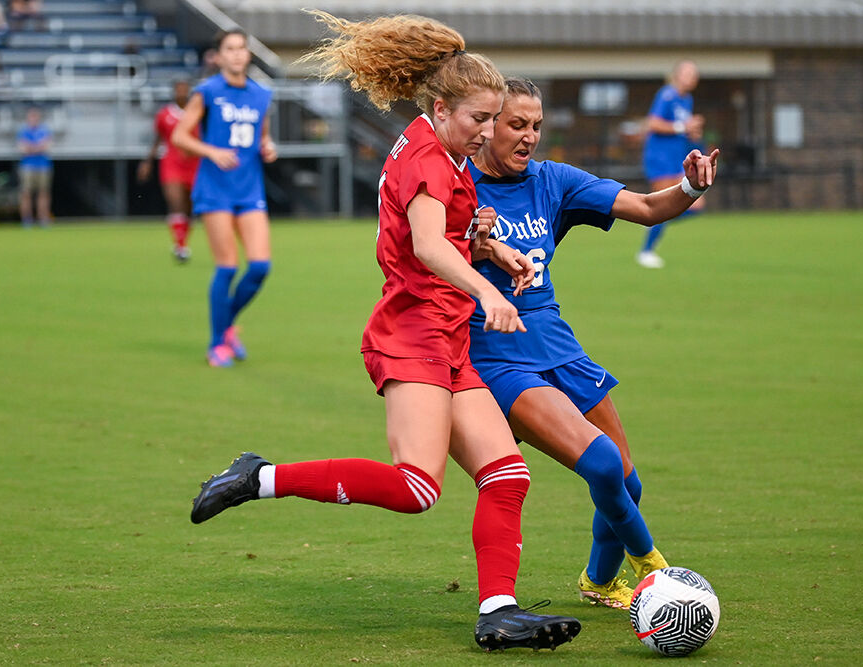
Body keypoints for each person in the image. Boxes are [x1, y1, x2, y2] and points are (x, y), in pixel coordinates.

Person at [188, 13, 581, 652]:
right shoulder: (430, 157)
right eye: (479, 119)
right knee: (417, 488)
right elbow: (426, 246)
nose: (488, 131)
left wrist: (488, 250)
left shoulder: (437, 146)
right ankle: (259, 476)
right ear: (441, 106)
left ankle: (498, 612)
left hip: (446, 333)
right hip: (415, 333)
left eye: (494, 119)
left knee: (506, 473)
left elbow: (442, 234)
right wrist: (485, 289)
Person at [468, 78, 718, 609]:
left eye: (536, 126)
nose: (529, 137)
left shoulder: (553, 180)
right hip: (497, 355)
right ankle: (658, 572)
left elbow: (648, 207)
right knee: (603, 465)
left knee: (629, 485)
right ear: (487, 125)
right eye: (517, 125)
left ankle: (599, 582)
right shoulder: (454, 185)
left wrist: (691, 187)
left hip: (561, 347)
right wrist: (475, 243)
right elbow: (416, 254)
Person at [171, 29, 276, 367]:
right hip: (215, 189)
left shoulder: (261, 95)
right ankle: (217, 343)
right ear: (217, 56)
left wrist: (268, 148)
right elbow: (179, 136)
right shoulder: (207, 92)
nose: (236, 54)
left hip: (249, 190)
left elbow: (263, 138)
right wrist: (212, 151)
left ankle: (226, 324)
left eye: (241, 48)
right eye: (229, 49)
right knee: (228, 267)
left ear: (248, 55)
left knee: (260, 266)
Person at [637, 60, 706, 269]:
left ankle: (654, 222)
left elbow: (682, 131)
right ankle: (646, 251)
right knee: (664, 204)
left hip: (677, 159)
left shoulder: (687, 100)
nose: (691, 77)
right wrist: (683, 126)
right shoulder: (667, 95)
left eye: (694, 74)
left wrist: (692, 133)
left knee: (696, 205)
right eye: (687, 72)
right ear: (677, 75)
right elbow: (654, 123)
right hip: (660, 159)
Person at [138, 79, 201, 262]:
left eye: (184, 89)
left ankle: (183, 239)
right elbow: (158, 139)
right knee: (176, 203)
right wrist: (147, 162)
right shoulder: (165, 114)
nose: (181, 93)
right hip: (171, 162)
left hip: (194, 163)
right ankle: (180, 246)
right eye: (178, 90)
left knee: (189, 206)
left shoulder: (196, 112)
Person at [17, 106, 53, 227]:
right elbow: (22, 147)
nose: (33, 119)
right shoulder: (23, 131)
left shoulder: (44, 130)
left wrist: (32, 148)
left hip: (43, 166)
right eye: (31, 116)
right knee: (26, 193)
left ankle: (43, 218)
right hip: (27, 166)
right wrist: (37, 147)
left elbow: (47, 145)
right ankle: (27, 219)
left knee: (43, 192)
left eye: (35, 116)